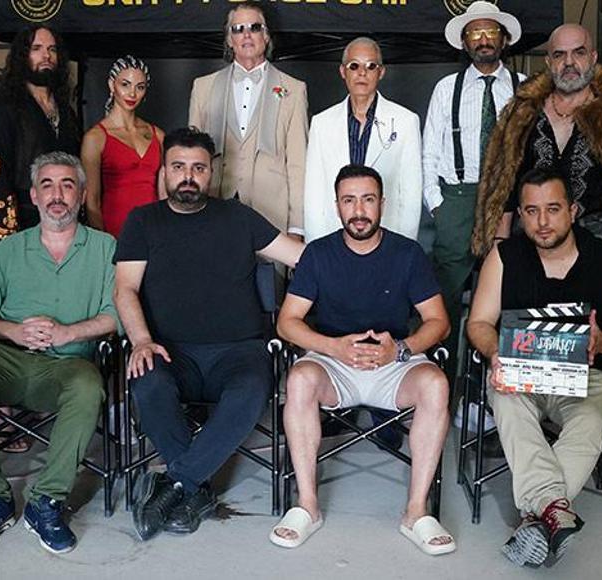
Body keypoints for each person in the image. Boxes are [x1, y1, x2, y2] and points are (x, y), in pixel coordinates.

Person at [472, 23, 602, 477]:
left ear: (593, 58)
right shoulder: (524, 111)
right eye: (560, 55)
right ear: (548, 61)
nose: (569, 63)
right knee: (517, 323)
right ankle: (514, 418)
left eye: (578, 53)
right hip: (532, 234)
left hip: (601, 238)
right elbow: (505, 180)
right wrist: (499, 242)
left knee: (598, 336)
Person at [114, 127, 303, 541]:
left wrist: (359, 258)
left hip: (238, 351)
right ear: (164, 171)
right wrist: (142, 340)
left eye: (198, 168)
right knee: (147, 382)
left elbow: (302, 259)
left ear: (211, 172)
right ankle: (194, 489)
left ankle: (177, 482)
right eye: (179, 167)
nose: (188, 176)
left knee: (253, 389)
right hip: (169, 350)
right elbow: (125, 288)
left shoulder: (239, 217)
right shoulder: (143, 221)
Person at [270, 164, 454, 556]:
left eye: (368, 200)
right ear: (336, 205)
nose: (358, 211)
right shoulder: (318, 254)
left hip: (393, 362)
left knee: (436, 384)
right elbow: (287, 322)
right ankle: (307, 506)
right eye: (349, 200)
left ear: (382, 203)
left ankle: (416, 512)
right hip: (335, 363)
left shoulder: (407, 254)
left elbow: (439, 321)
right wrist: (332, 347)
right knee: (299, 379)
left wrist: (400, 349)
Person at [0, 152, 118, 554]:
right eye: (47, 185)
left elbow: (116, 314)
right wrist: (13, 331)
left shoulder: (106, 249)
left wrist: (69, 332)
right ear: (34, 196)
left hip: (68, 363)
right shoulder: (8, 251)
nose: (57, 195)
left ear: (82, 194)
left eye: (67, 185)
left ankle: (46, 502)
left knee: (88, 387)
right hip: (3, 357)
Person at [467, 168, 602, 567]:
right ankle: (555, 511)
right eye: (531, 211)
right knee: (507, 402)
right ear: (521, 215)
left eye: (553, 209)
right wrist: (495, 352)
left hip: (588, 374)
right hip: (520, 371)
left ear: (573, 210)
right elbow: (478, 323)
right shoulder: (505, 258)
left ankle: (536, 519)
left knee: (590, 419)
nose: (542, 221)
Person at [422, 1, 523, 383]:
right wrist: (437, 204)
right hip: (458, 197)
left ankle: (493, 386)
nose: (483, 39)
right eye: (475, 33)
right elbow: (429, 151)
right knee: (446, 293)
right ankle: (442, 382)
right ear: (465, 42)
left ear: (504, 39)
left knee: (507, 291)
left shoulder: (524, 88)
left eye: (490, 31)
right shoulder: (446, 88)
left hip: (510, 198)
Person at [188, 1, 308, 237]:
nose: (246, 35)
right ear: (229, 39)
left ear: (266, 36)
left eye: (254, 27)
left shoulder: (294, 90)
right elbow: (190, 156)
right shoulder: (203, 87)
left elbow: (298, 164)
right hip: (212, 208)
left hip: (272, 213)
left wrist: (297, 227)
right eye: (238, 29)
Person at [304, 37, 422, 243]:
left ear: (381, 72)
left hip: (387, 235)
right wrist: (315, 246)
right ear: (343, 71)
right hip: (333, 236)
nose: (362, 73)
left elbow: (411, 194)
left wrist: (404, 247)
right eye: (354, 66)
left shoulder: (406, 121)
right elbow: (314, 193)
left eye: (371, 66)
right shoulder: (321, 123)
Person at [0, 24, 79, 249]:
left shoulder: (66, 111)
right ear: (23, 56)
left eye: (52, 49)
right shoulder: (6, 109)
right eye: (36, 48)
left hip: (63, 224)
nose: (46, 56)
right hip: (21, 227)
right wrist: (8, 238)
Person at [81, 55, 164, 238]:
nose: (132, 94)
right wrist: (103, 244)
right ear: (112, 85)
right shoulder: (95, 138)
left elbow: (164, 194)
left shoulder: (158, 135)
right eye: (125, 84)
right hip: (115, 231)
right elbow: (92, 202)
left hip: (154, 230)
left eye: (140, 87)